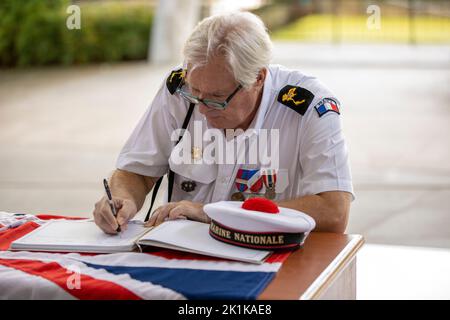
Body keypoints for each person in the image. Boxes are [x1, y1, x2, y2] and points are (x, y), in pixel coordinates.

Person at [93, 11, 354, 235]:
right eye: (195, 94)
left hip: (269, 258)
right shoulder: (180, 88)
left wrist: (217, 214)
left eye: (218, 98)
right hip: (179, 251)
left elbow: (333, 211)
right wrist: (121, 200)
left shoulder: (309, 106)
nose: (203, 109)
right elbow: (137, 171)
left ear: (258, 78)